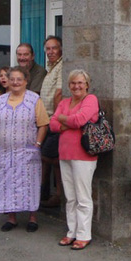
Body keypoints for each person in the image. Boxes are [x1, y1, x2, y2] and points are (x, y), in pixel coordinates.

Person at [0, 66, 49, 232]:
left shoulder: (34, 100)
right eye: (12, 79)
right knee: (7, 183)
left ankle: (32, 218)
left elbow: (43, 124)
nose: (15, 82)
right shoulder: (0, 101)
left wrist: (37, 145)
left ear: (25, 81)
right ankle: (11, 218)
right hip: (4, 152)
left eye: (19, 79)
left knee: (30, 184)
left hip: (27, 152)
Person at [49, 69, 99, 250]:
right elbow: (53, 124)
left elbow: (80, 120)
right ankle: (72, 232)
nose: (76, 86)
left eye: (80, 83)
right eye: (73, 83)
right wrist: (66, 122)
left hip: (83, 156)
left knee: (83, 197)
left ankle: (84, 235)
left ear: (87, 84)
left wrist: (63, 119)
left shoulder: (91, 100)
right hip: (65, 154)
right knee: (70, 197)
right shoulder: (64, 102)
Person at [39, 36, 64, 207]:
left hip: (53, 121)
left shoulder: (61, 66)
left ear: (61, 48)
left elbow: (59, 94)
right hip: (46, 120)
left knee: (53, 159)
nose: (50, 52)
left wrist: (55, 120)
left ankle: (58, 196)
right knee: (47, 158)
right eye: (47, 49)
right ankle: (44, 194)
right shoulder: (51, 67)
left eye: (54, 48)